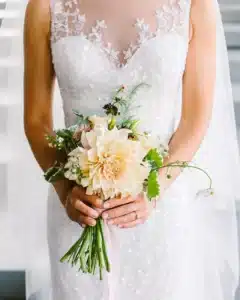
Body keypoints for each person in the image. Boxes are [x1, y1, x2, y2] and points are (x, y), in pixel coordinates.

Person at [23, 0, 240, 299]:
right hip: (79, 210)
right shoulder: (46, 7)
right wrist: (64, 190)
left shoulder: (195, 5)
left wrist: (154, 191)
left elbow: (195, 119)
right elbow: (36, 121)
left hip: (159, 208)